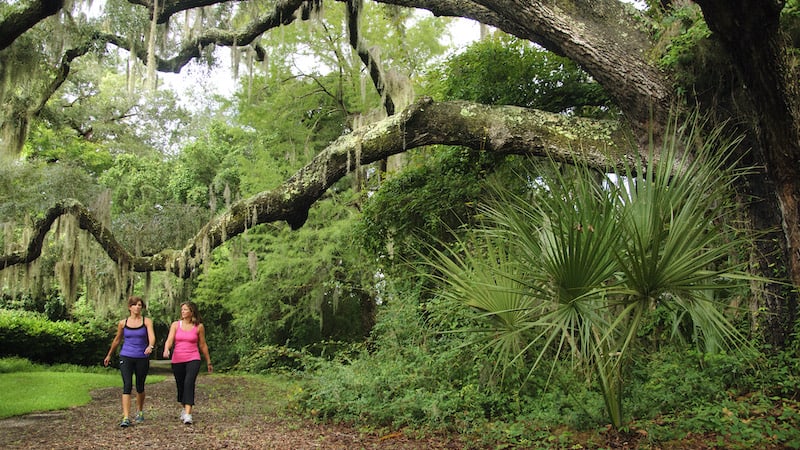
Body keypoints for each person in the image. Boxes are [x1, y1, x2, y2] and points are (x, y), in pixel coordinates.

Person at [103, 296, 156, 428]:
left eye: (140, 305)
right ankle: (126, 416)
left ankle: (140, 411)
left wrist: (150, 346)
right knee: (127, 385)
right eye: (135, 305)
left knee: (140, 386)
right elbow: (117, 340)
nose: (138, 307)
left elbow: (152, 337)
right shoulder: (123, 323)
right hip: (126, 356)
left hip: (142, 357)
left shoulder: (147, 321)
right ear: (129, 307)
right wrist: (109, 354)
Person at [163, 301, 212, 425]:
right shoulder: (175, 325)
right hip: (177, 359)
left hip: (193, 358)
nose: (183, 312)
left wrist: (208, 361)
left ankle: (188, 414)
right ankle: (184, 407)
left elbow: (203, 344)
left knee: (189, 383)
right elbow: (170, 340)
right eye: (182, 309)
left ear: (192, 312)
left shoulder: (199, 327)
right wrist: (166, 349)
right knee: (181, 386)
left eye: (186, 309)